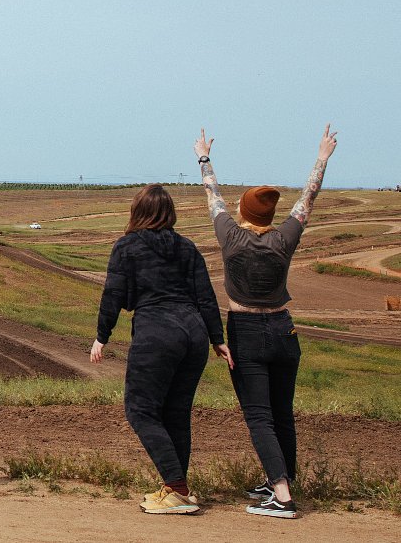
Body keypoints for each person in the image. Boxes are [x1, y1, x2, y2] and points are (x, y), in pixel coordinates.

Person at [195, 124, 338, 519]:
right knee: (281, 412)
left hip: (246, 332)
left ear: (242, 212)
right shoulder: (285, 238)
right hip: (284, 330)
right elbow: (308, 198)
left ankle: (282, 496)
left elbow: (213, 196)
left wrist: (204, 157)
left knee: (259, 416)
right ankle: (282, 477)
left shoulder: (230, 236)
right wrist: (321, 158)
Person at [90, 184, 233, 515]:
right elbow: (205, 295)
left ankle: (178, 488)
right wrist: (217, 338)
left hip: (157, 332)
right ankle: (176, 489)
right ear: (169, 213)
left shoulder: (127, 247)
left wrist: (102, 336)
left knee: (140, 410)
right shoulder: (187, 247)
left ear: (137, 211)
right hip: (194, 333)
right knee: (176, 414)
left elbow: (114, 294)